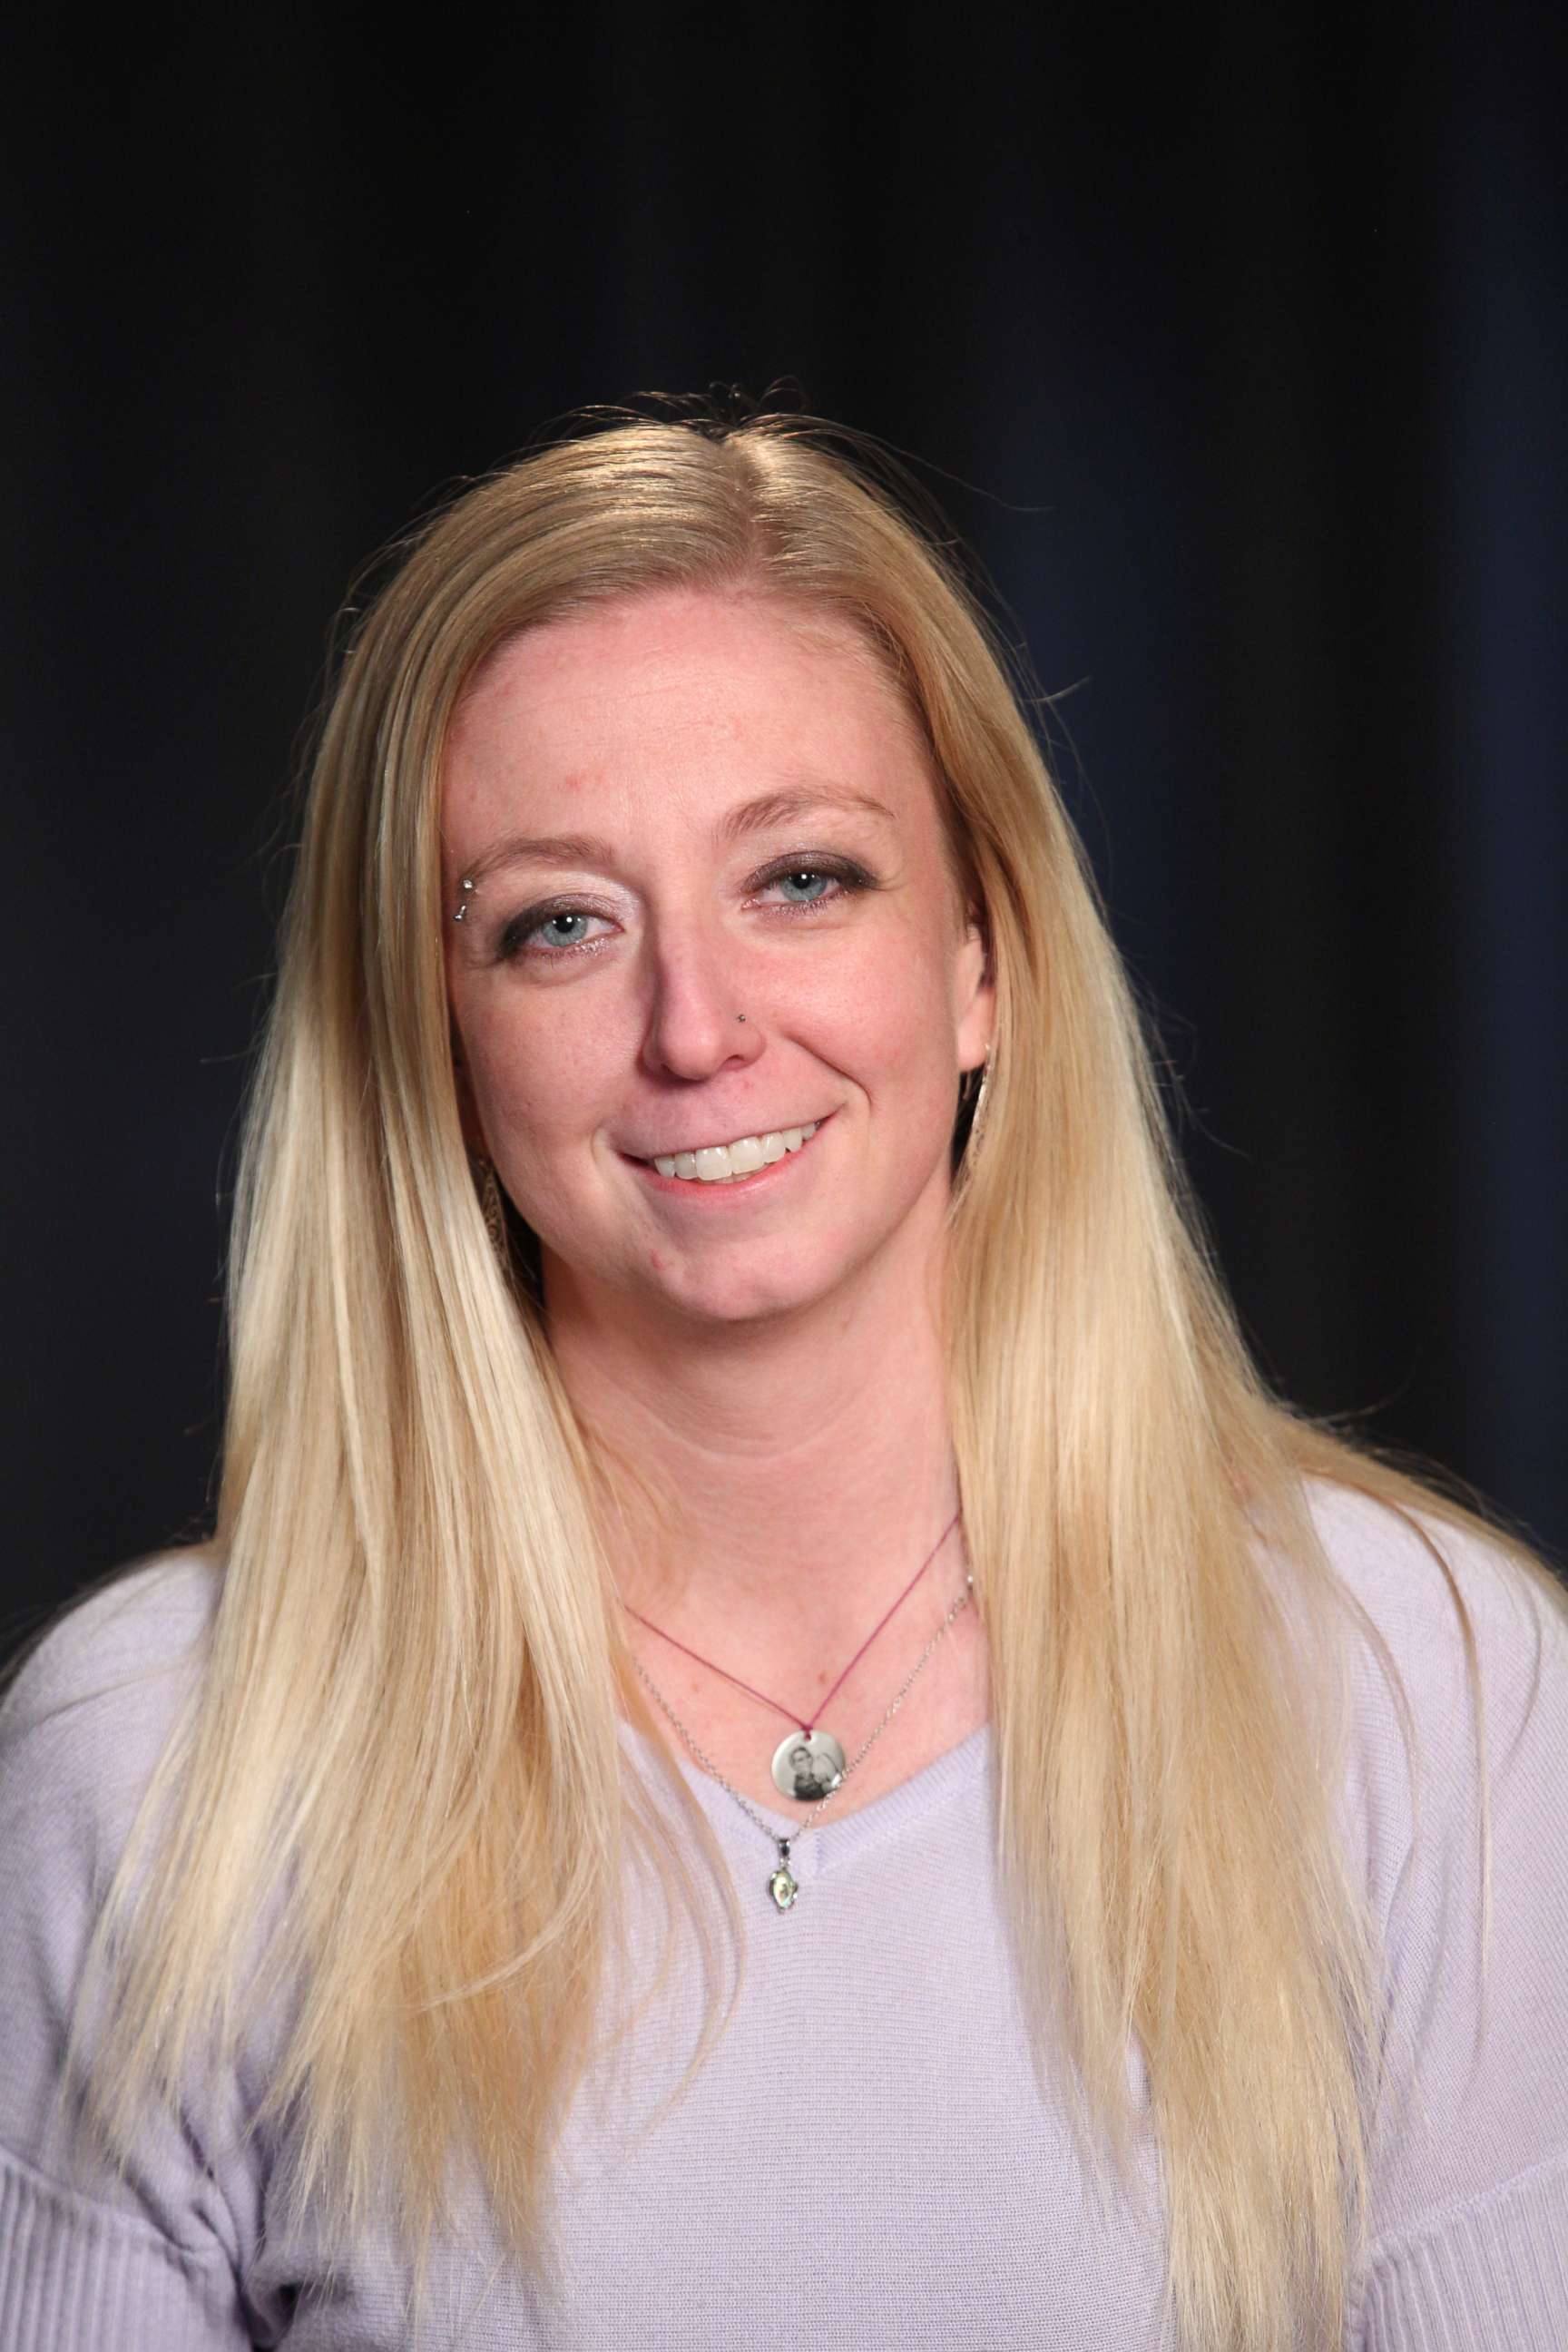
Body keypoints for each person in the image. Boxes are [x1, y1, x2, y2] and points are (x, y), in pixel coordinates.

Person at [1, 405, 1564, 2352]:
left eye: (804, 879)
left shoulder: (1431, 1691)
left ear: (982, 961)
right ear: (434, 1038)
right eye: (558, 923)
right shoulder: (160, 1768)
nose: (697, 1028)